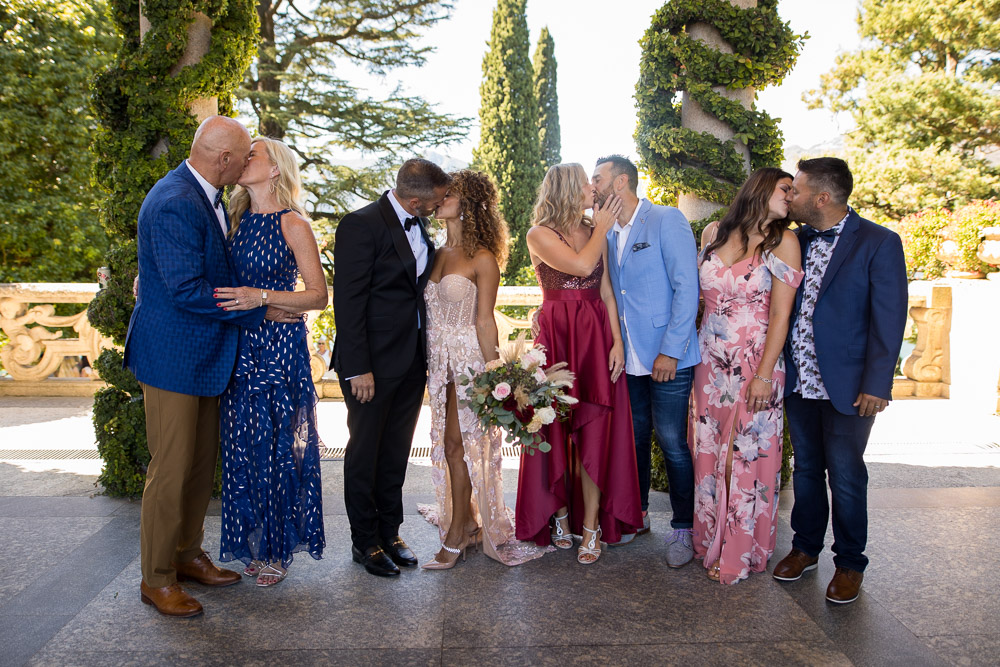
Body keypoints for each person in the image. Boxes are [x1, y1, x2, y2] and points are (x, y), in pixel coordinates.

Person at [124, 116, 299, 617]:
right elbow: (185, 290)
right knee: (171, 470)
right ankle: (156, 579)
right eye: (244, 156)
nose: (248, 163)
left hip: (204, 356)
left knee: (199, 468)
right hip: (173, 359)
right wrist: (262, 309)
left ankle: (185, 555)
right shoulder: (177, 200)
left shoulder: (210, 193)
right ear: (223, 160)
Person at [772, 157, 907, 604]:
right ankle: (805, 548)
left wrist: (878, 383)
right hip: (799, 381)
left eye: (798, 190)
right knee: (807, 470)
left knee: (846, 475)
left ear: (822, 198)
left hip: (850, 385)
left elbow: (889, 319)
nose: (791, 196)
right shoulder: (794, 240)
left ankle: (850, 562)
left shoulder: (879, 242)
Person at [212, 137, 328, 586]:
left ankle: (278, 549)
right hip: (241, 345)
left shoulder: (294, 223)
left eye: (253, 154)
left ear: (275, 169)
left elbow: (317, 295)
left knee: (278, 446)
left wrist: (261, 298)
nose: (244, 159)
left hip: (280, 349)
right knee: (243, 445)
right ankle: (251, 543)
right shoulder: (233, 218)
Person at [419, 170, 548, 569]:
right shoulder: (435, 253)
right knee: (446, 446)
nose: (440, 198)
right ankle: (469, 521)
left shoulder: (483, 258)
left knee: (458, 446)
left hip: (469, 364)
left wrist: (496, 375)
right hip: (438, 363)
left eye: (450, 193)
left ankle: (459, 533)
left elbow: (485, 320)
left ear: (469, 203)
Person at [515, 163, 643, 564]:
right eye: (587, 181)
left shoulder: (594, 231)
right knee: (553, 430)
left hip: (594, 336)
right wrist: (602, 228)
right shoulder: (539, 234)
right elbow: (581, 266)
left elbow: (604, 290)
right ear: (570, 188)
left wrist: (617, 342)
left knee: (595, 431)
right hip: (557, 337)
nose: (593, 187)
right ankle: (560, 515)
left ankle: (592, 525)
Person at [332, 158, 451, 577]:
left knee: (396, 453)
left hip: (410, 361)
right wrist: (358, 367)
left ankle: (391, 533)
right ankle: (364, 543)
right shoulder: (359, 224)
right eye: (435, 203)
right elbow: (346, 303)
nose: (438, 209)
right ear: (416, 200)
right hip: (370, 366)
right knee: (365, 453)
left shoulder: (419, 226)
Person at [690, 167, 804, 585]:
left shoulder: (783, 242)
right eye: (785, 188)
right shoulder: (713, 234)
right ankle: (709, 541)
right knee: (708, 452)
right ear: (760, 188)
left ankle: (739, 550)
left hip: (757, 362)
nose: (791, 197)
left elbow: (780, 315)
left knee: (747, 456)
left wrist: (763, 374)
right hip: (710, 363)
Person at [592, 155, 701, 566]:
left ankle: (683, 529)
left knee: (672, 441)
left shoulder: (666, 220)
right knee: (634, 437)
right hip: (628, 357)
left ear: (621, 183)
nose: (592, 187)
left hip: (666, 354)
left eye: (597, 179)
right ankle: (635, 516)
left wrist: (671, 350)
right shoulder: (604, 233)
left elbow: (686, 288)